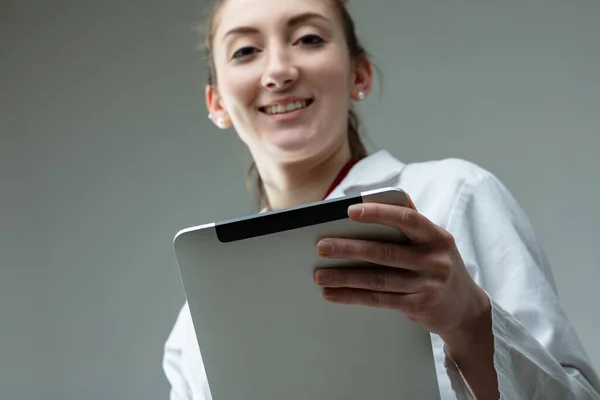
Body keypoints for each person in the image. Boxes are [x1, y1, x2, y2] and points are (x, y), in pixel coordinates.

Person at [163, 0, 600, 398]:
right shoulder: (194, 327)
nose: (278, 72)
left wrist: (469, 321)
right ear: (216, 101)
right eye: (244, 51)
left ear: (359, 74)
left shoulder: (454, 196)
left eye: (308, 39)